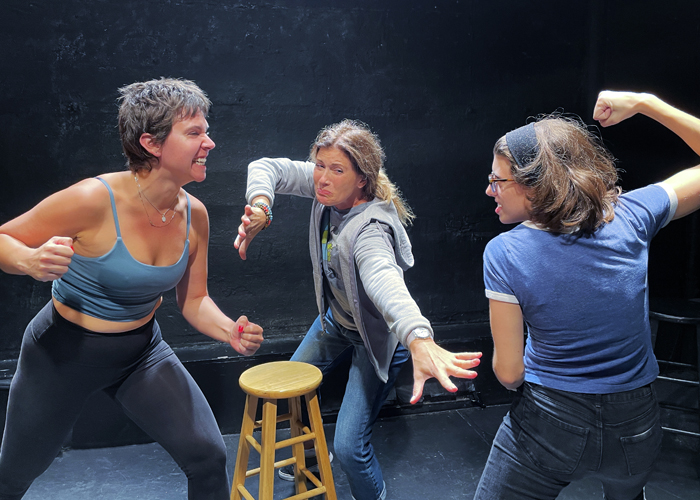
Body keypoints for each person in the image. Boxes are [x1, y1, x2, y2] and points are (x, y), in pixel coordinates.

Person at [0, 78, 264, 500]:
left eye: (206, 131)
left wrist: (229, 331)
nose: (209, 143)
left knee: (208, 459)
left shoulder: (195, 215)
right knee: (10, 480)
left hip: (140, 352)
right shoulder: (92, 199)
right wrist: (29, 262)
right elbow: (4, 239)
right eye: (195, 132)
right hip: (62, 354)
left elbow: (194, 301)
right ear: (152, 143)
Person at [234, 119, 482, 500]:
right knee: (289, 390)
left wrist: (418, 337)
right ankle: (312, 462)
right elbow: (266, 167)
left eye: (337, 170)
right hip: (335, 323)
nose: (323, 178)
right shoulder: (326, 190)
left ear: (363, 179)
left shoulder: (370, 229)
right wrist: (262, 207)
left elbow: (386, 282)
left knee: (351, 449)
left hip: (377, 339)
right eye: (320, 165)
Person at [473, 90, 700, 500]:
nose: (490, 190)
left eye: (497, 180)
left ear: (536, 185)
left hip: (550, 425)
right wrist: (647, 103)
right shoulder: (632, 214)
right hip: (638, 428)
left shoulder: (504, 252)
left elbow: (509, 374)